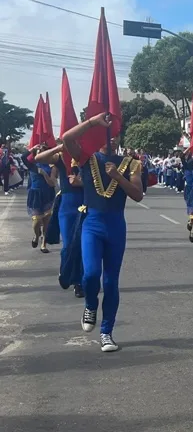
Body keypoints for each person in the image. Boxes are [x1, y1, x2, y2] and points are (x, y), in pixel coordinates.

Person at [61, 113, 144, 352]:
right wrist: (93, 121)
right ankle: (90, 304)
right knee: (90, 274)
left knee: (110, 282)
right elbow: (67, 138)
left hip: (116, 226)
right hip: (92, 225)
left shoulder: (132, 163)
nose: (112, 138)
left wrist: (118, 176)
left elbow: (137, 195)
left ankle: (107, 332)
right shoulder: (87, 159)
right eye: (109, 132)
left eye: (116, 133)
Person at [35, 143, 85, 296]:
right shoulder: (61, 158)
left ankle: (79, 282)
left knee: (82, 245)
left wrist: (81, 182)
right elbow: (38, 158)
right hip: (67, 206)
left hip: (86, 203)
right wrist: (58, 148)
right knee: (69, 244)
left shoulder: (89, 157)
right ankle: (66, 271)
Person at [22, 144, 57, 253]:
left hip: (48, 195)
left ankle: (43, 244)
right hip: (35, 195)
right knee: (36, 221)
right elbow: (23, 157)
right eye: (38, 152)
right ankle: (37, 236)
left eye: (42, 152)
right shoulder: (32, 165)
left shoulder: (52, 167)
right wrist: (33, 148)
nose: (40, 153)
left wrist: (43, 174)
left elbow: (52, 184)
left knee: (46, 221)